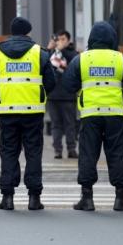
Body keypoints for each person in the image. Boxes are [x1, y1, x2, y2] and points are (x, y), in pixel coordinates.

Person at [63, 21, 123, 212]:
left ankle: (87, 198)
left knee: (88, 154)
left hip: (90, 114)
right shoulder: (121, 59)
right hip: (114, 114)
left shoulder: (81, 59)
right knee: (116, 154)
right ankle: (120, 198)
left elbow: (67, 85)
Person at [0, 17, 56, 211]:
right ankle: (34, 198)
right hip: (33, 111)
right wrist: (38, 93)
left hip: (8, 111)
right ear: (27, 32)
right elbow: (51, 82)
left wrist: (3, 95)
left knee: (8, 151)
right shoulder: (39, 53)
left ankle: (7, 197)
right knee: (33, 152)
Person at [47, 30, 78, 159]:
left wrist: (61, 51)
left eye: (63, 39)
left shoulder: (73, 54)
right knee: (56, 124)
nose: (60, 41)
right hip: (53, 95)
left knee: (70, 123)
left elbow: (74, 65)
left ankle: (71, 149)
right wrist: (49, 50)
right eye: (58, 39)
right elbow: (45, 66)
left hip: (68, 95)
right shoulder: (51, 54)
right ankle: (57, 150)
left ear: (69, 40)